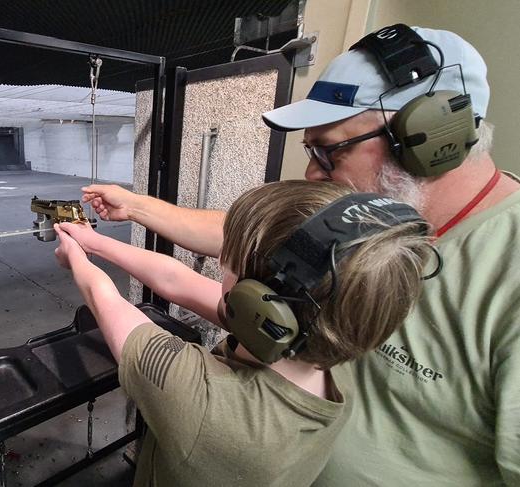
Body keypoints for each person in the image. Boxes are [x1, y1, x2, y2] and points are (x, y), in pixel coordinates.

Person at [81, 26, 520, 485]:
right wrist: (132, 207)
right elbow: (248, 238)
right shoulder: (365, 220)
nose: (313, 172)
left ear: (429, 135)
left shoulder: (503, 270)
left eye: (328, 151)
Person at [54, 180, 432, 487]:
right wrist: (94, 242)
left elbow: (105, 301)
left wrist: (76, 258)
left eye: (229, 266)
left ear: (261, 305)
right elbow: (177, 280)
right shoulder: (319, 346)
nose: (220, 266)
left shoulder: (207, 407)